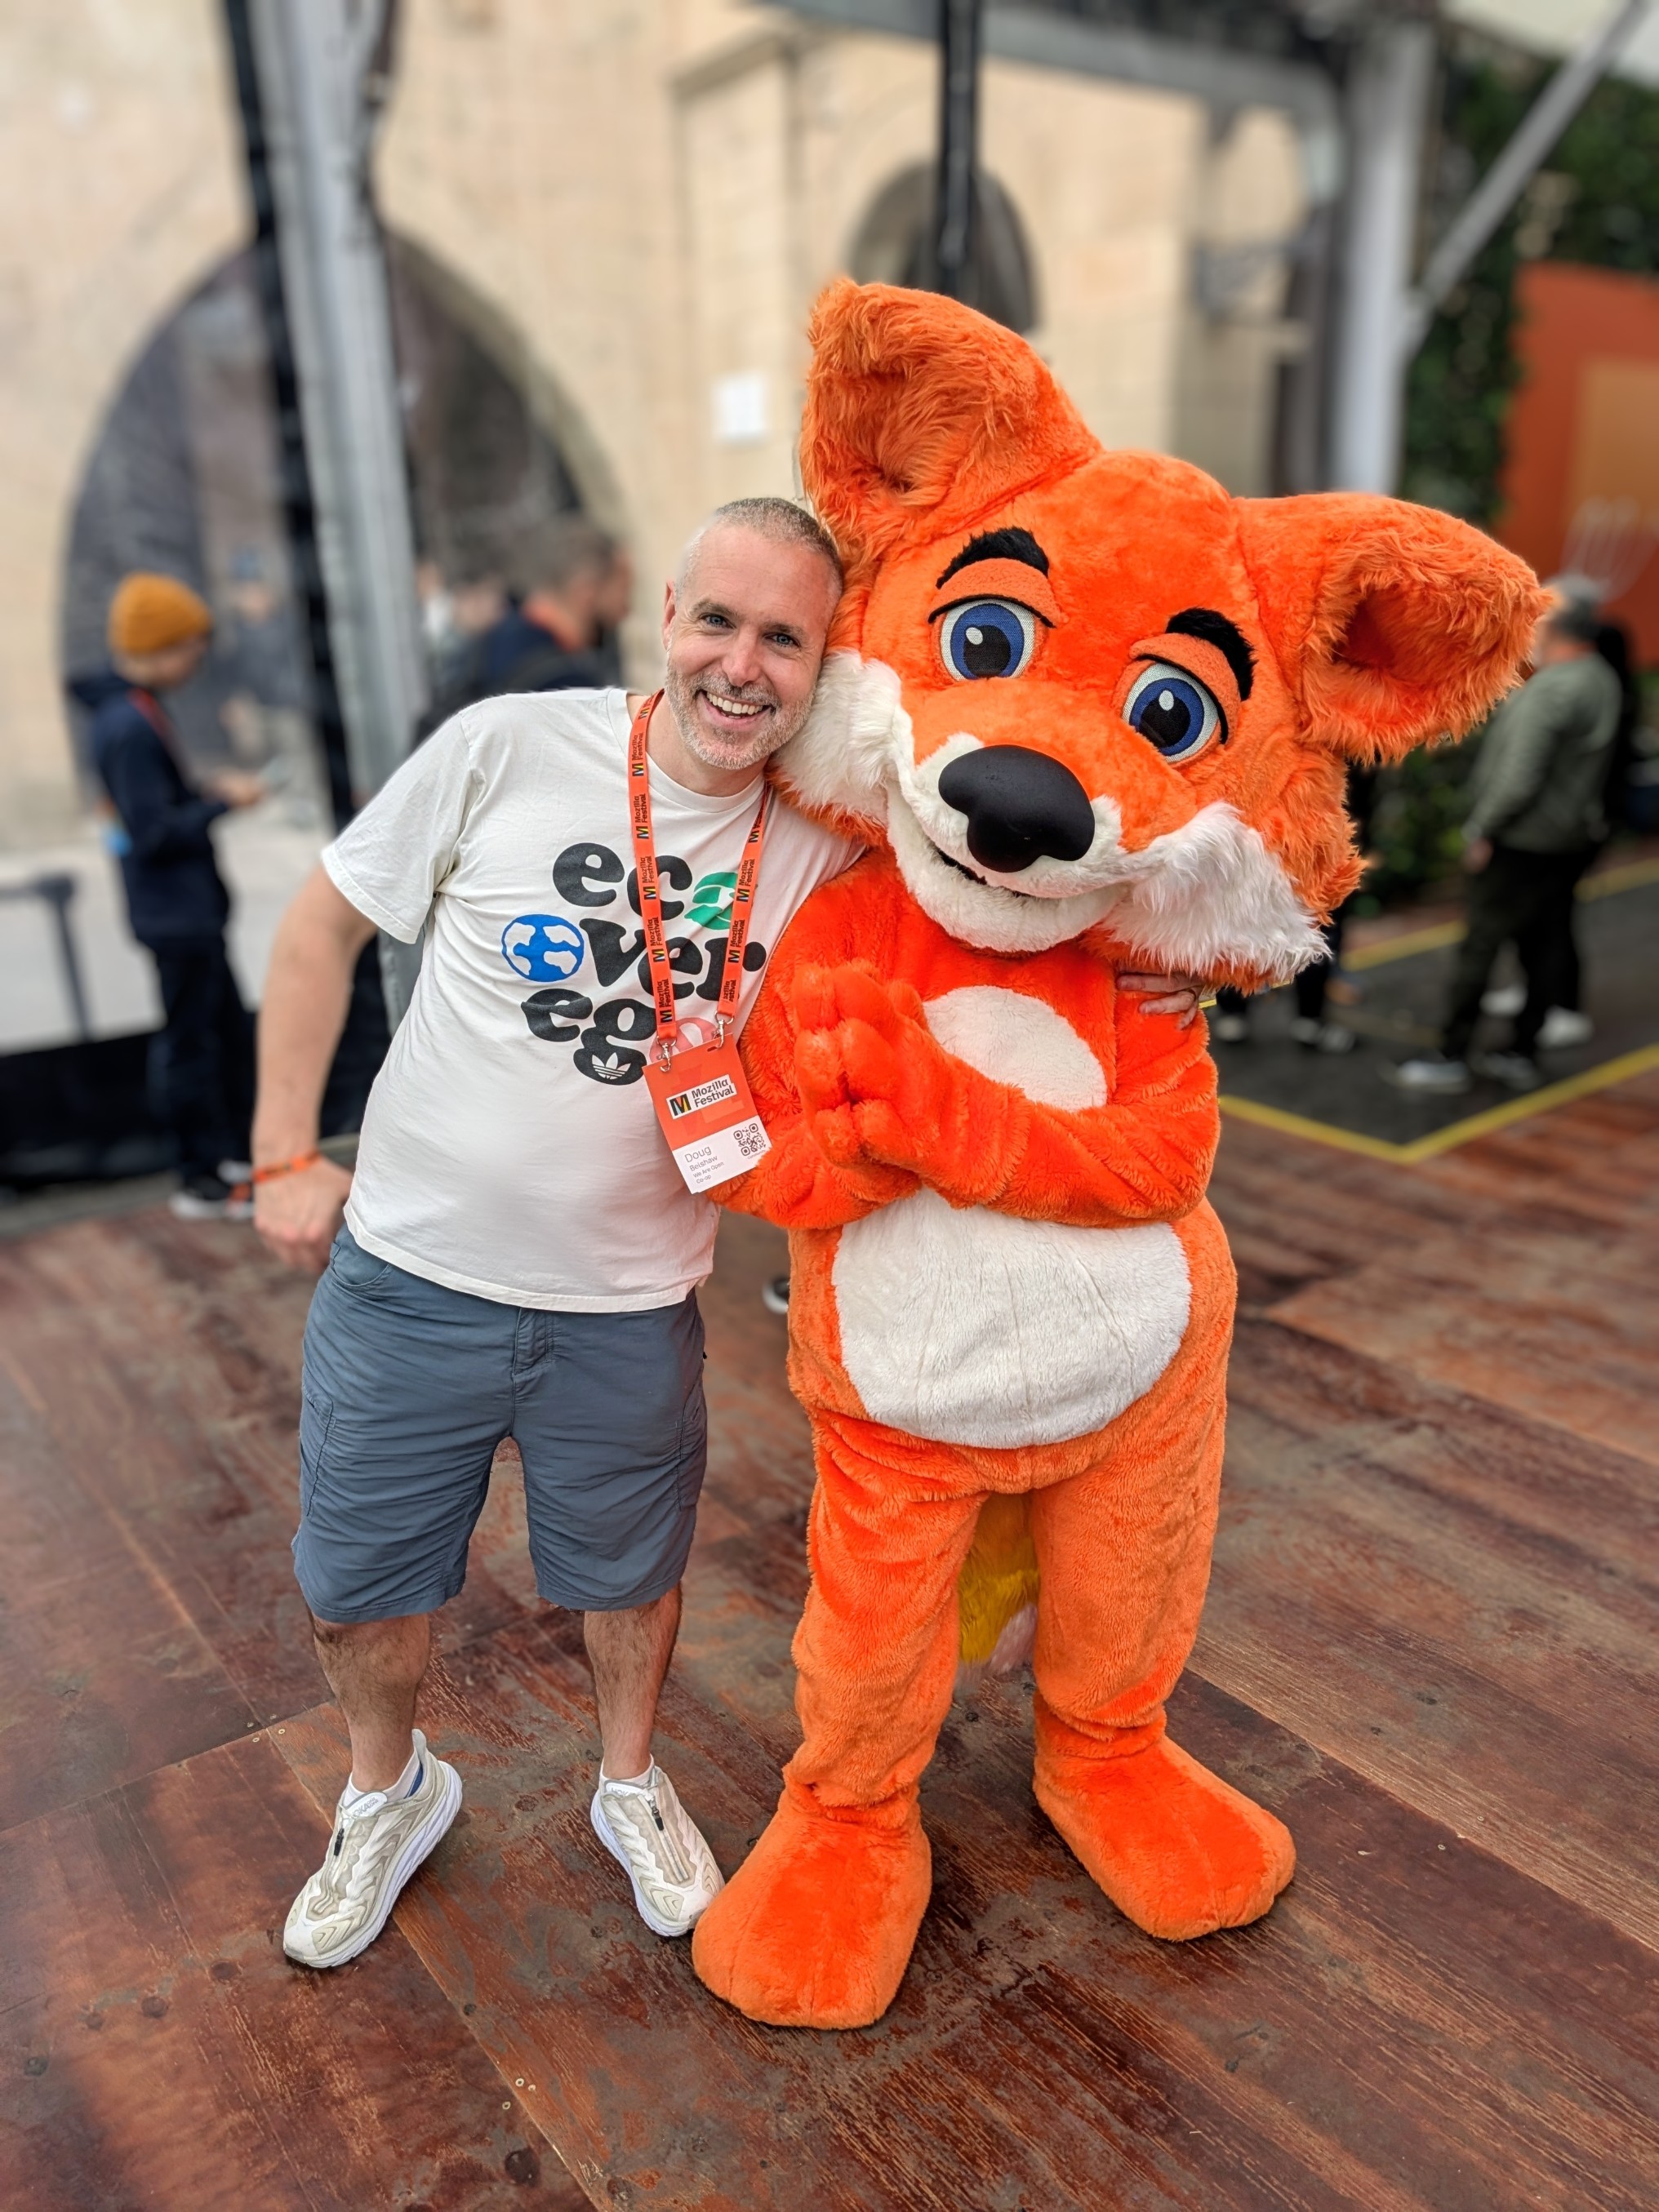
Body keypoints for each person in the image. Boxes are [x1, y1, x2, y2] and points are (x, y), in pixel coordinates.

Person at [254, 497, 861, 1968]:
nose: (741, 665)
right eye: (718, 620)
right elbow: (320, 927)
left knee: (630, 1575)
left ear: (825, 667)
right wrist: (282, 1150)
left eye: (785, 639)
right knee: (358, 1588)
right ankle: (388, 1794)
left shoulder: (832, 839)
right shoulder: (510, 743)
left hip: (633, 1299)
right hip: (410, 1279)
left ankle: (628, 1780)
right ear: (663, 614)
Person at [71, 572, 265, 1217]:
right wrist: (218, 800)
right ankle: (200, 1178)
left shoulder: (133, 713)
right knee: (190, 1044)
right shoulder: (128, 724)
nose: (197, 659)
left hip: (187, 911)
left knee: (220, 1034)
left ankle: (227, 1156)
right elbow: (152, 832)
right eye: (189, 646)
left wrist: (199, 790)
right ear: (163, 646)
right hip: (174, 913)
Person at [1390, 597, 1621, 1095]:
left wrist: (1483, 830)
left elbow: (1520, 776)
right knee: (1541, 942)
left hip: (1520, 841)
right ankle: (1521, 1051)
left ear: (1558, 632)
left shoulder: (1553, 691)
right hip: (1563, 839)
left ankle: (1451, 1055)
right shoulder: (1601, 679)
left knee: (1482, 945)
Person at [422, 516, 630, 728]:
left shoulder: (494, 640)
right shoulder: (566, 687)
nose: (626, 610)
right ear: (586, 591)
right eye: (624, 593)